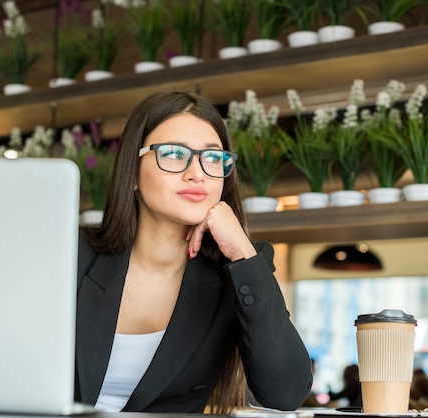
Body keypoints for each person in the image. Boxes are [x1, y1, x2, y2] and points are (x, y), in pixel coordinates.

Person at [73, 90, 313, 414]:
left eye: (213, 158)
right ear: (132, 173)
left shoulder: (239, 272)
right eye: (173, 154)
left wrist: (243, 251)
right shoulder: (72, 256)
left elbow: (285, 393)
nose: (197, 172)